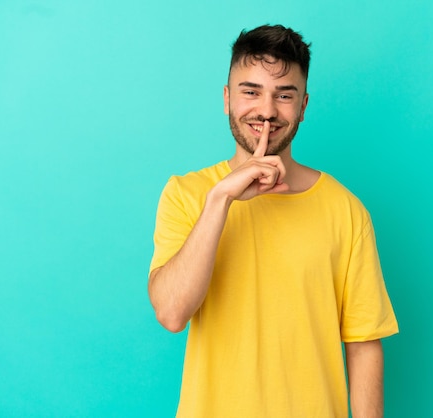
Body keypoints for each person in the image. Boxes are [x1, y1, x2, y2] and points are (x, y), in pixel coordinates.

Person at [148, 24, 398, 418]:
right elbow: (172, 313)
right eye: (251, 92)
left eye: (284, 95)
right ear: (227, 99)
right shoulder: (188, 194)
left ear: (303, 107)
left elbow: (364, 344)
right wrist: (222, 199)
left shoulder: (346, 210)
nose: (266, 111)